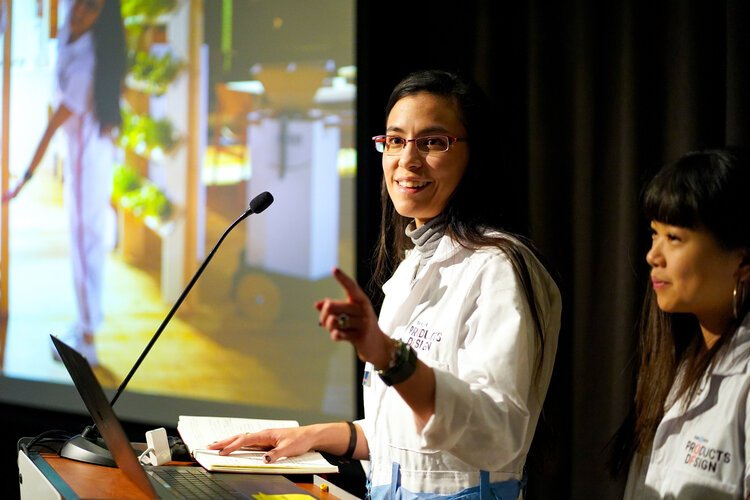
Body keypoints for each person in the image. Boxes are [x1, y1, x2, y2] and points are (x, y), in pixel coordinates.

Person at [209, 69, 562, 498]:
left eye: (433, 142)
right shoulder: (416, 262)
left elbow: (495, 432)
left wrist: (387, 355)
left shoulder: (498, 269)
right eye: (395, 141)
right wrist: (310, 435)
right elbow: (409, 436)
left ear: (476, 155)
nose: (407, 161)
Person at [619, 149, 750, 498]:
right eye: (653, 234)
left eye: (674, 238)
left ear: (742, 260)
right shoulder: (674, 366)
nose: (653, 255)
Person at [2, 0, 126, 366]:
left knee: (86, 242)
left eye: (91, 7)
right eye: (79, 2)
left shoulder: (89, 59)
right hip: (79, 153)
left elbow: (55, 121)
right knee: (80, 241)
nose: (79, 11)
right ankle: (83, 324)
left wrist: (24, 177)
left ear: (103, 14)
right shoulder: (73, 33)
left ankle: (88, 339)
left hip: (89, 157)